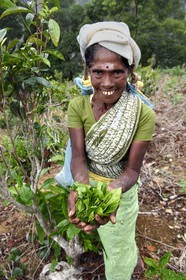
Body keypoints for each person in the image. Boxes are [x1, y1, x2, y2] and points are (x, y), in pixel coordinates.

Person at [57, 21, 155, 280]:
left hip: (121, 192)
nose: (107, 83)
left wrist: (110, 195)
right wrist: (81, 188)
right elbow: (78, 157)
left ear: (130, 71)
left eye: (117, 72)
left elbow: (133, 170)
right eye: (98, 72)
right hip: (87, 181)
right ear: (87, 70)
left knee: (119, 250)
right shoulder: (77, 106)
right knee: (104, 238)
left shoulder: (141, 114)